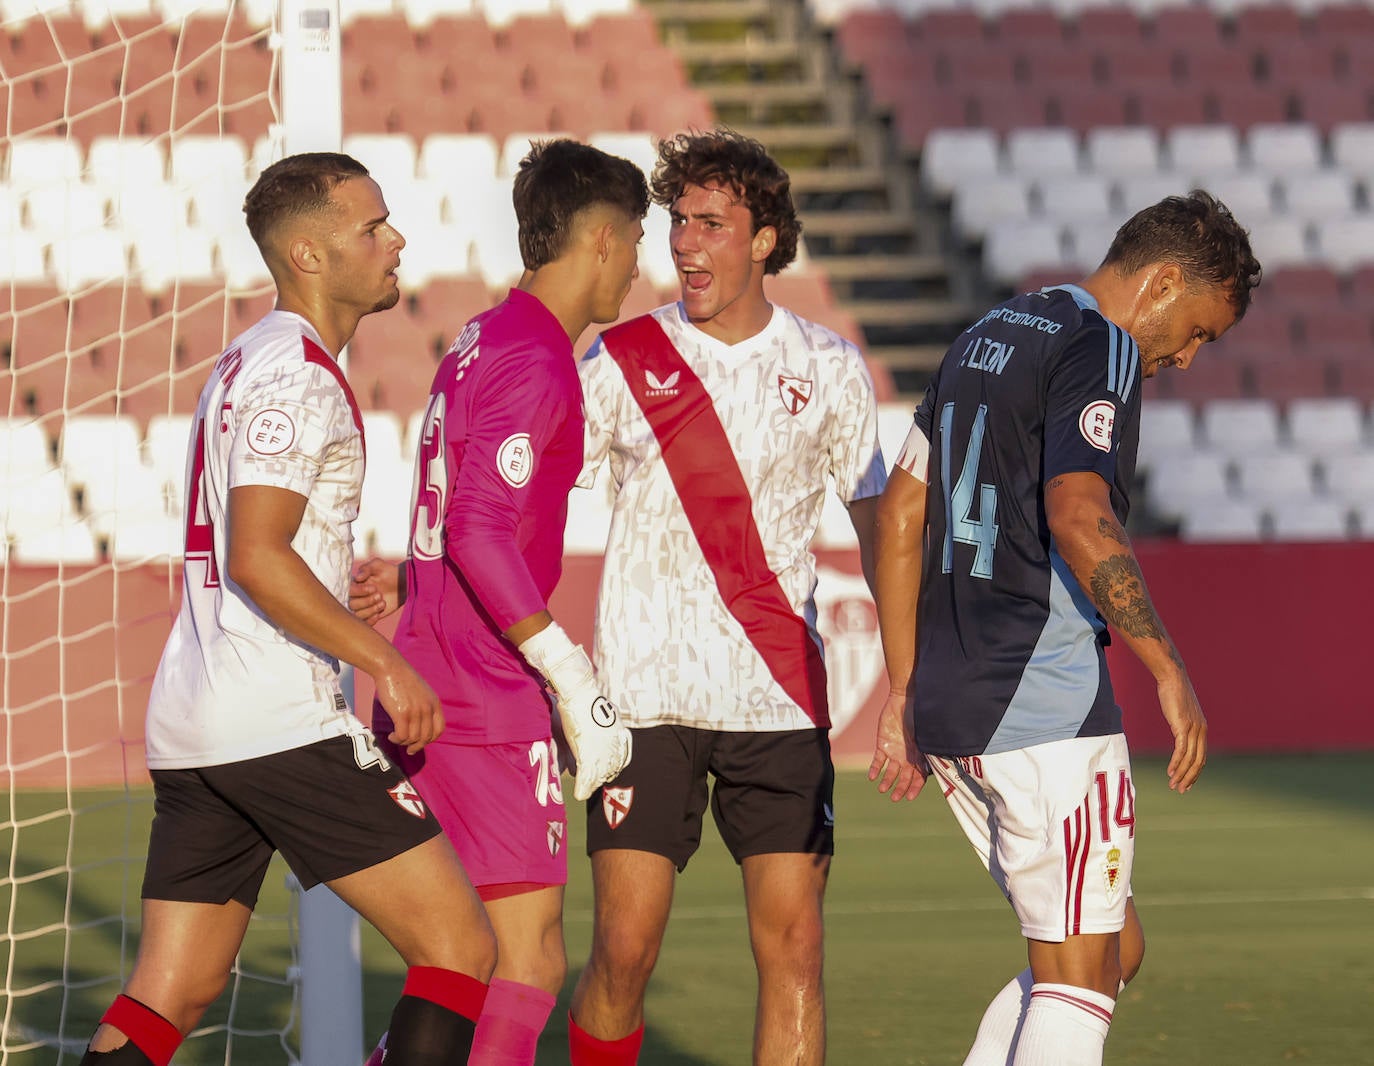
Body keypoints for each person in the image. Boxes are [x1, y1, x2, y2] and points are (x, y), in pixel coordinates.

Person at [78, 153, 498, 1066]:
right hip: (275, 721)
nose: (396, 243)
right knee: (460, 950)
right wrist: (382, 660)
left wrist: (338, 588)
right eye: (371, 229)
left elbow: (270, 553)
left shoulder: (246, 360)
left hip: (196, 726)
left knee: (170, 993)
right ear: (308, 254)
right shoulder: (299, 375)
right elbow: (259, 556)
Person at [868, 190, 1261, 1066]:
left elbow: (900, 515)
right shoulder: (1105, 345)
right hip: (1042, 704)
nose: (1191, 358)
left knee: (1113, 950)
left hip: (958, 707)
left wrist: (903, 688)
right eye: (1199, 330)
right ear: (1160, 283)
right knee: (1081, 982)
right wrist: (1166, 665)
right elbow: (1081, 517)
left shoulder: (986, 334)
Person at [564, 128, 887, 1066]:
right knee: (624, 951)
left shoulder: (828, 367)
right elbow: (526, 504)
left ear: (764, 238)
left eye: (713, 223)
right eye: (678, 223)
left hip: (776, 696)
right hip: (642, 695)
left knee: (794, 948)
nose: (686, 245)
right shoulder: (619, 359)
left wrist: (908, 678)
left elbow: (876, 529)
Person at [347, 138, 648, 1066]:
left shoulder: (480, 338)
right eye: (636, 240)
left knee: (457, 961)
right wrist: (569, 674)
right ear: (601, 240)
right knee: (529, 959)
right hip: (482, 693)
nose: (640, 264)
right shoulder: (537, 358)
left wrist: (411, 580)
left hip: (428, 675)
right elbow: (477, 530)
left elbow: (459, 517)